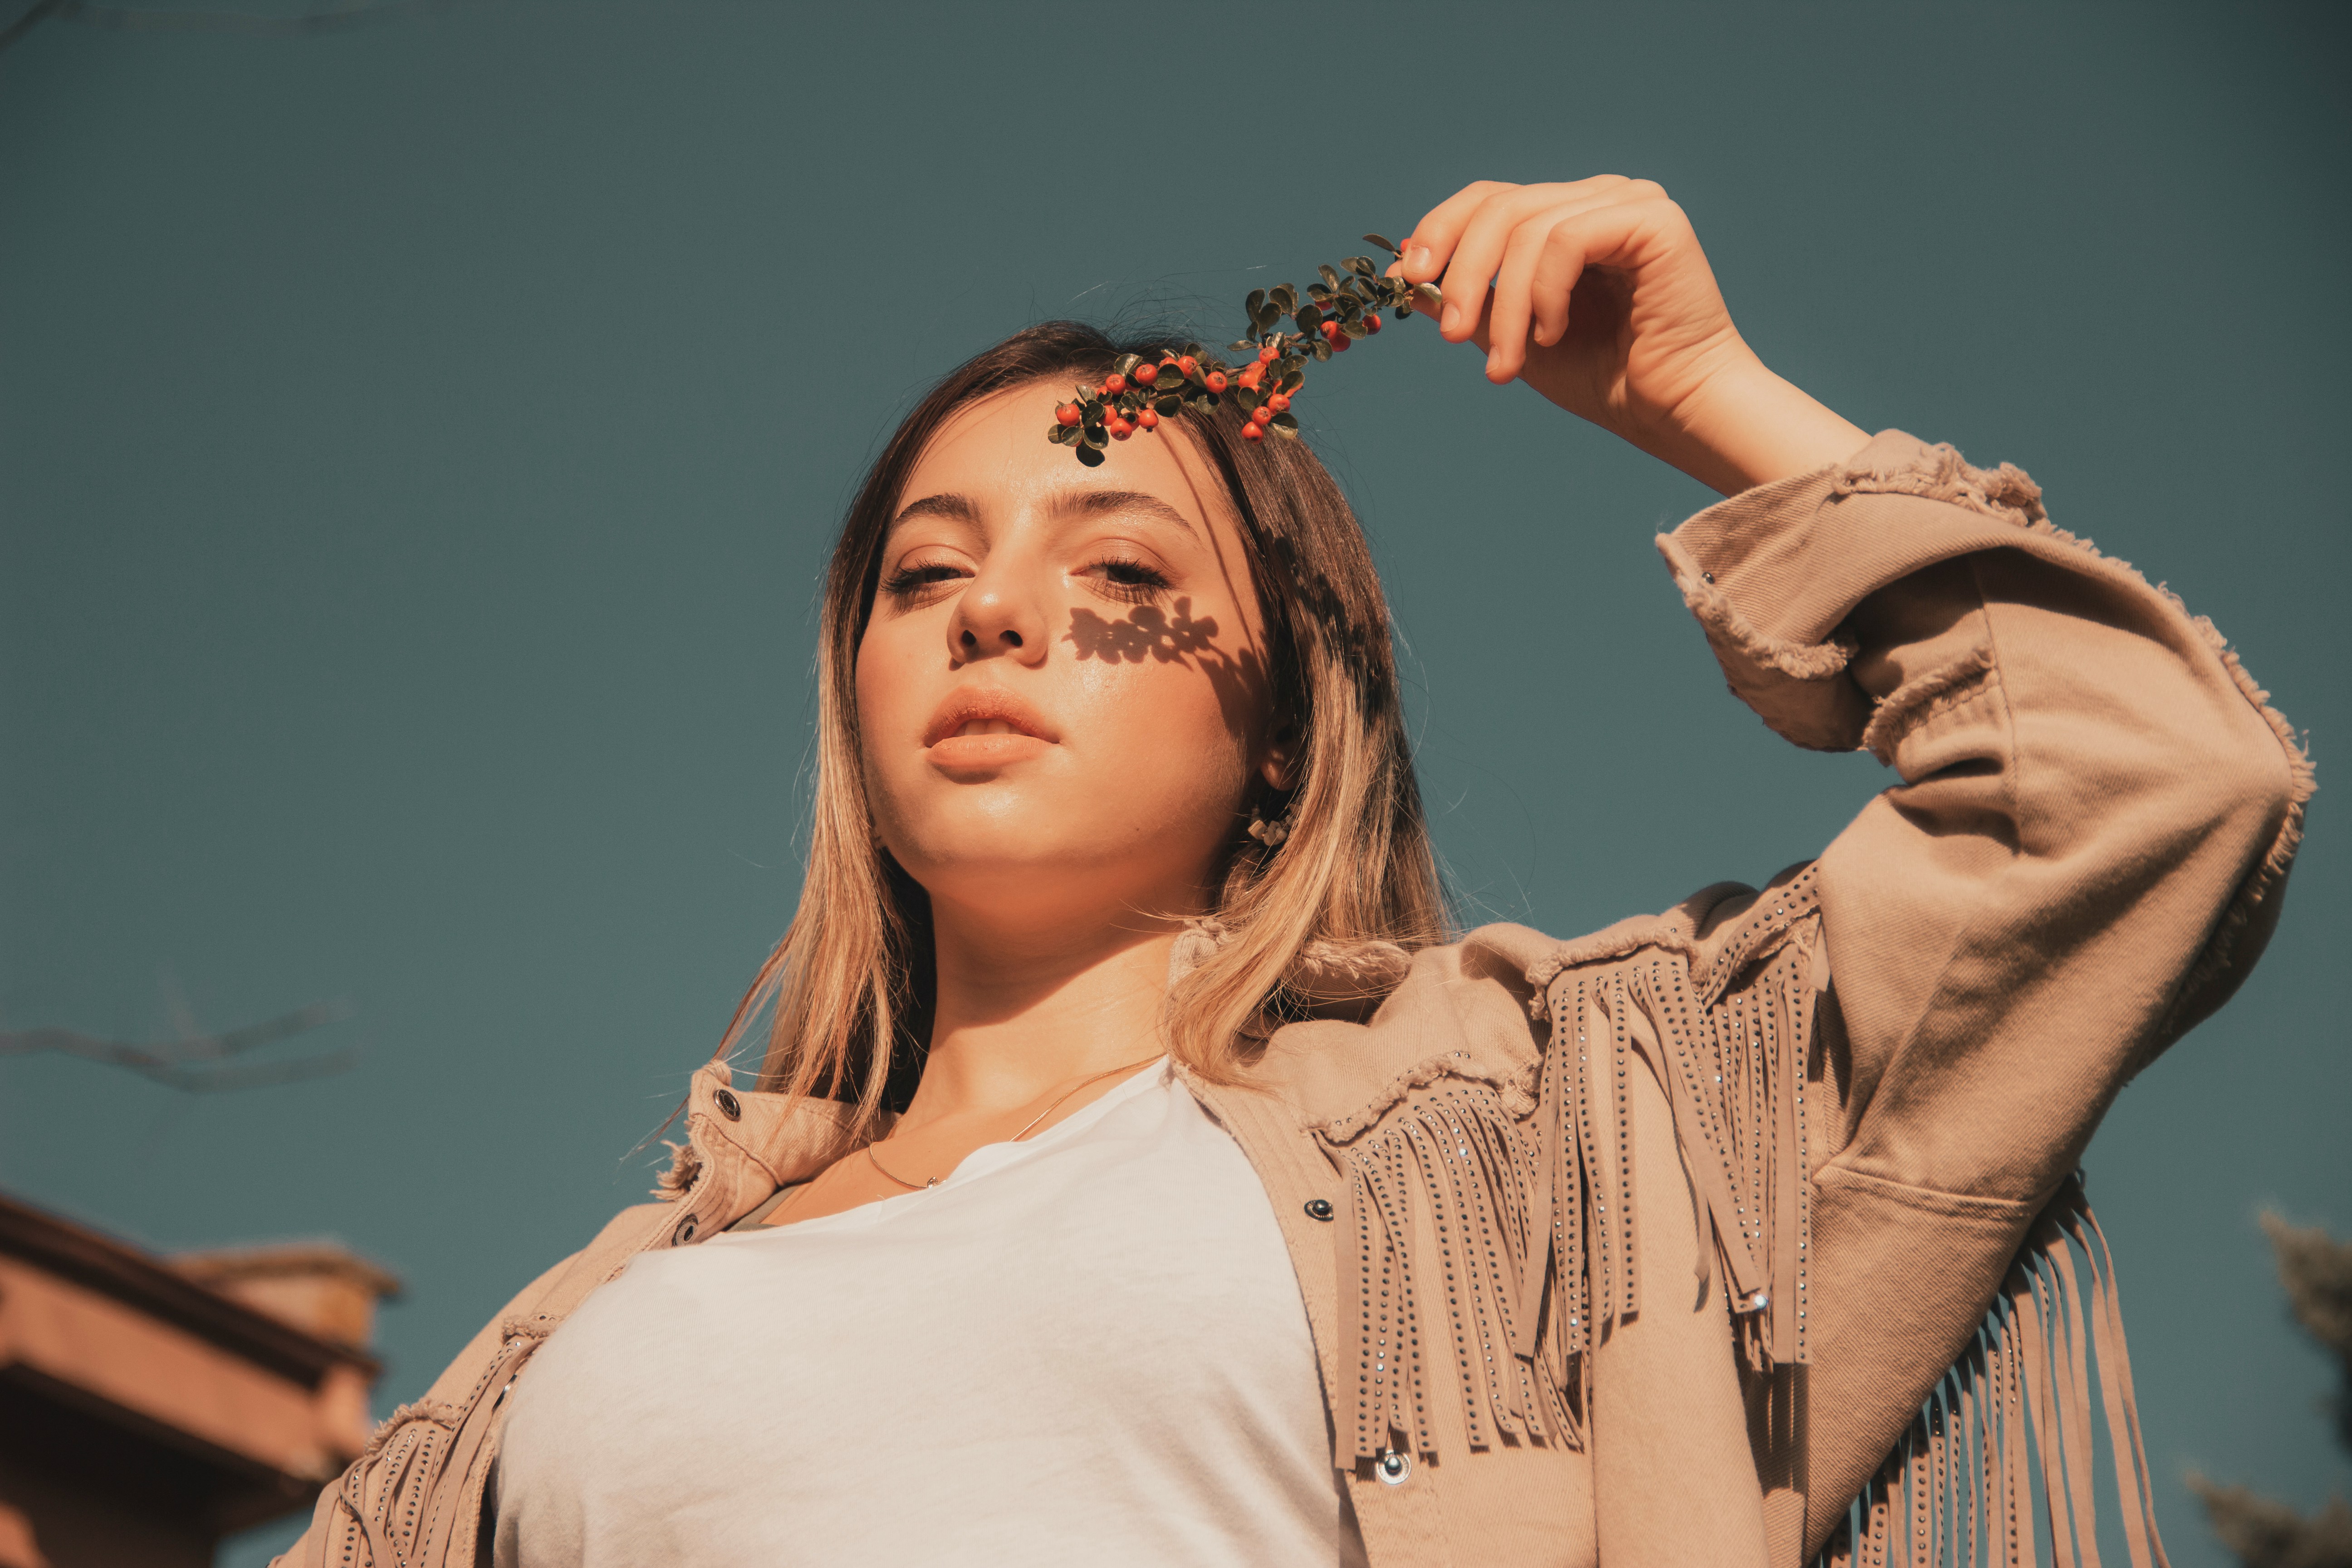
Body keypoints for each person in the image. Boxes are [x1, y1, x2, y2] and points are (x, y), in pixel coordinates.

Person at [277, 177, 2309, 1568]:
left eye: (1124, 575)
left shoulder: (1550, 1129)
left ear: (1280, 729)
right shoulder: (579, 1332)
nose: (994, 618)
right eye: (926, 574)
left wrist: (1709, 402)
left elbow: (2142, 784)